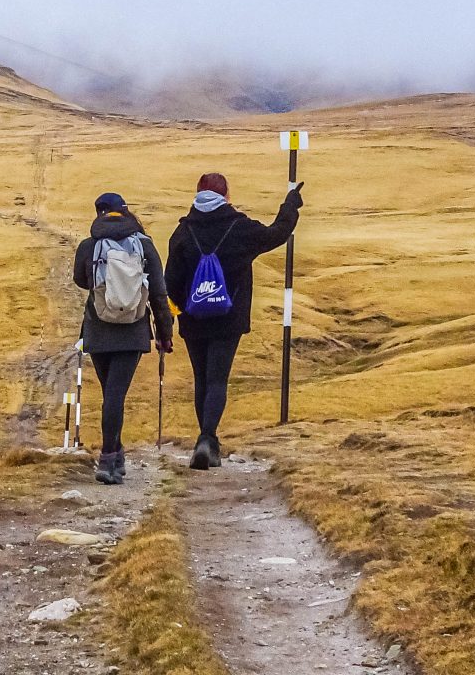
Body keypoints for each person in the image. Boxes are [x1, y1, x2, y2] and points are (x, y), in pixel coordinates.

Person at [164, 173, 303, 470]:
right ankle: (207, 439)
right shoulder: (239, 227)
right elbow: (276, 234)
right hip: (228, 318)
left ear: (197, 194)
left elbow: (170, 283)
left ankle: (206, 442)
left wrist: (176, 314)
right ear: (226, 196)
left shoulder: (183, 232)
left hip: (193, 317)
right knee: (217, 379)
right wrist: (290, 206)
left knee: (201, 379)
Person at [73, 192, 174, 485]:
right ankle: (111, 456)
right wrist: (164, 334)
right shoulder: (144, 245)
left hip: (98, 328)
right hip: (133, 330)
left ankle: (111, 457)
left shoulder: (89, 245)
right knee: (115, 395)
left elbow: (81, 280)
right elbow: (158, 292)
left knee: (111, 394)